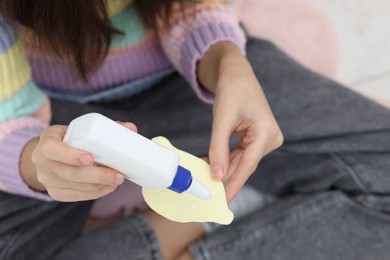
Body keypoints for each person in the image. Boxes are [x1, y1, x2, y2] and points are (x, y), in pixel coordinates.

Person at [1, 0, 390, 260]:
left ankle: (192, 226)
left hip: (187, 72)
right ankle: (190, 224)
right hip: (45, 120)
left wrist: (227, 64)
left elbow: (191, 9)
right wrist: (37, 164)